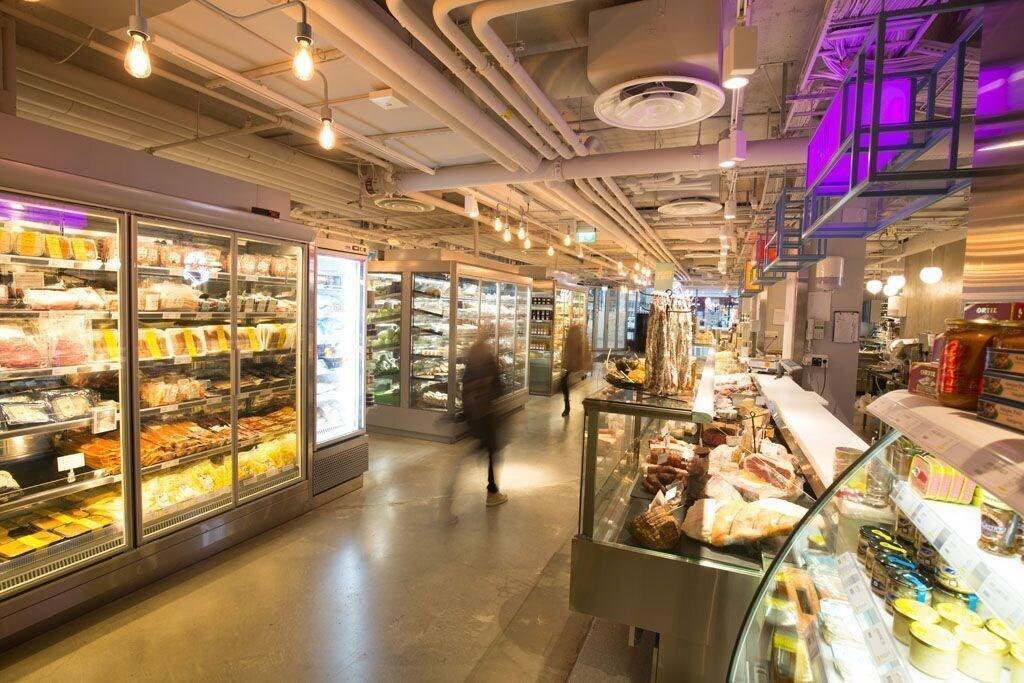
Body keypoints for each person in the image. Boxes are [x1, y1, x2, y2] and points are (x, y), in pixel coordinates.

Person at [459, 328, 508, 507]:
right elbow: (498, 388)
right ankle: (492, 491)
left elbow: (465, 385)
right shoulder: (488, 358)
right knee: (491, 451)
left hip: (474, 413)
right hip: (486, 413)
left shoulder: (472, 356)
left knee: (483, 449)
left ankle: (491, 488)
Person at [560, 323, 588, 416]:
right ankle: (567, 407)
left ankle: (567, 407)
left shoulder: (576, 337)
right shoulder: (580, 337)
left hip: (574, 365)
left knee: (565, 385)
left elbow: (579, 352)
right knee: (565, 384)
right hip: (572, 365)